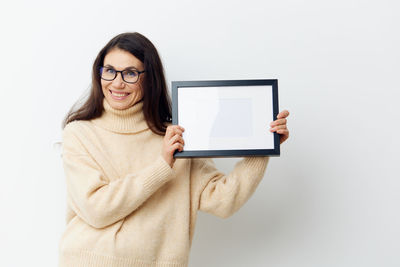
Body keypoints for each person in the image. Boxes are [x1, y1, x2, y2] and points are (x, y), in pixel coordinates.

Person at [59, 32, 290, 267]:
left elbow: (223, 201)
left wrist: (263, 146)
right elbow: (96, 209)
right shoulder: (79, 133)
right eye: (109, 70)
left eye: (130, 73)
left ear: (150, 79)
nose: (117, 83)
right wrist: (162, 166)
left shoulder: (176, 136)